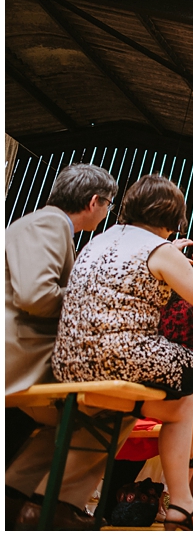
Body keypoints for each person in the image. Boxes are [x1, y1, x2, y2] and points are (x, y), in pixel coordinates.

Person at [51, 174, 193, 531]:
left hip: (68, 361)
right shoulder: (159, 250)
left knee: (182, 405)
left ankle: (180, 503)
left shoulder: (98, 241)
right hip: (119, 356)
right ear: (173, 217)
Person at [5, 163, 120, 530]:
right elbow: (37, 295)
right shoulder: (50, 224)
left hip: (29, 352)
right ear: (94, 201)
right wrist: (95, 296)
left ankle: (21, 500)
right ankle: (49, 503)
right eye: (109, 206)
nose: (108, 214)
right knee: (109, 407)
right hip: (23, 355)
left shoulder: (48, 226)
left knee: (74, 418)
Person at [106, 284, 193, 512]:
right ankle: (187, 499)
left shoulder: (144, 303)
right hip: (171, 395)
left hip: (129, 391)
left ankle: (184, 497)